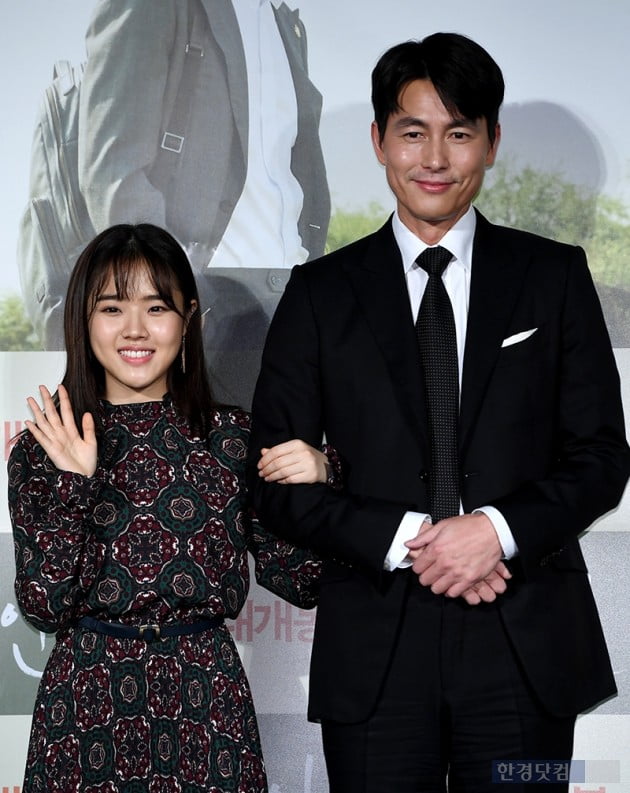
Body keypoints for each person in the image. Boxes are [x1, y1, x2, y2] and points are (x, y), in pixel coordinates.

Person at [248, 32, 630, 792]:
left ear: (491, 142)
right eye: (412, 131)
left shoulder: (551, 277)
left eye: (458, 133)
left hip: (522, 638)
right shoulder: (320, 293)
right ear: (379, 141)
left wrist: (495, 530)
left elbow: (601, 457)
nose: (434, 158)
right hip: (376, 645)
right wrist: (416, 539)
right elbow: (275, 480)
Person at [9, 223, 332, 792]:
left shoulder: (232, 439)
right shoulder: (44, 446)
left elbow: (299, 578)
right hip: (86, 704)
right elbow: (43, 603)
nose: (135, 329)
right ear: (83, 320)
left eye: (156, 307)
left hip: (205, 698)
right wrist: (75, 485)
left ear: (189, 318)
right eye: (111, 307)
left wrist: (323, 476)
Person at [20, 0, 330, 407]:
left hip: (289, 305)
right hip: (206, 312)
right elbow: (114, 175)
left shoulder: (281, 19)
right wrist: (170, 303)